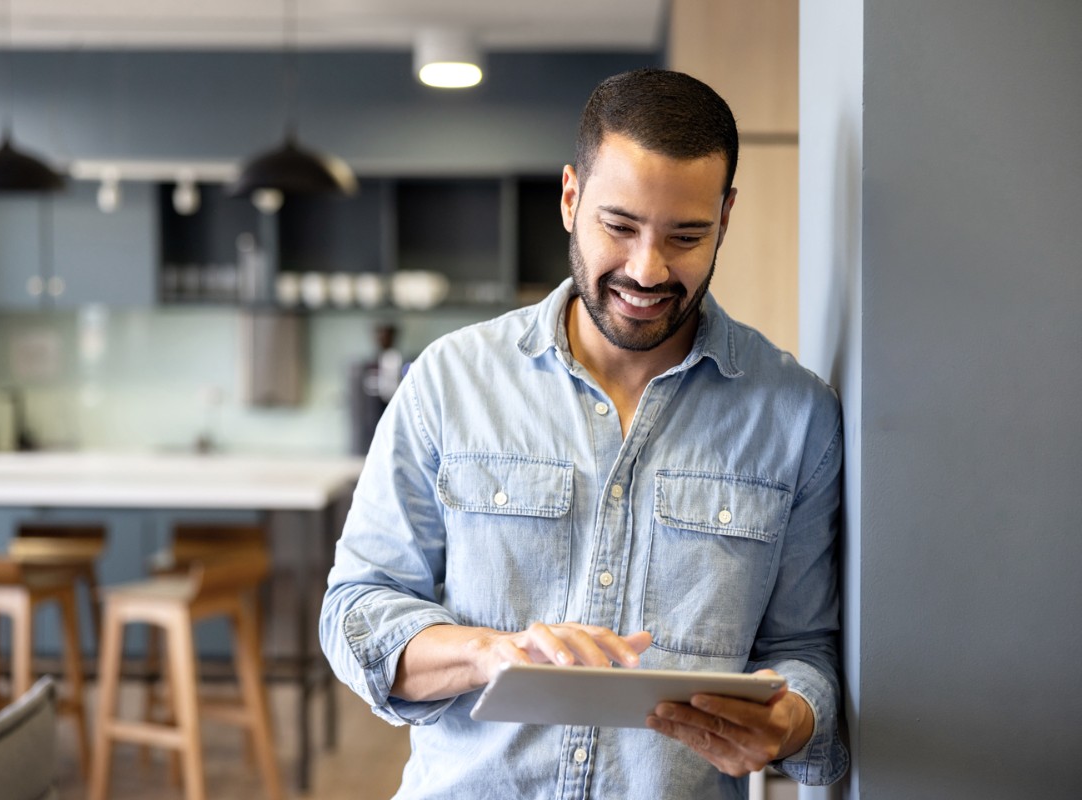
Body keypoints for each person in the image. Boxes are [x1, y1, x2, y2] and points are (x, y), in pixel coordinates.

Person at [320, 67, 848, 799]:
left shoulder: (797, 416)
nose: (647, 269)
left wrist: (790, 721)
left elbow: (805, 651)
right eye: (620, 226)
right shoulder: (450, 379)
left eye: (687, 235)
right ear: (571, 197)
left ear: (726, 219)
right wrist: (490, 655)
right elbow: (357, 610)